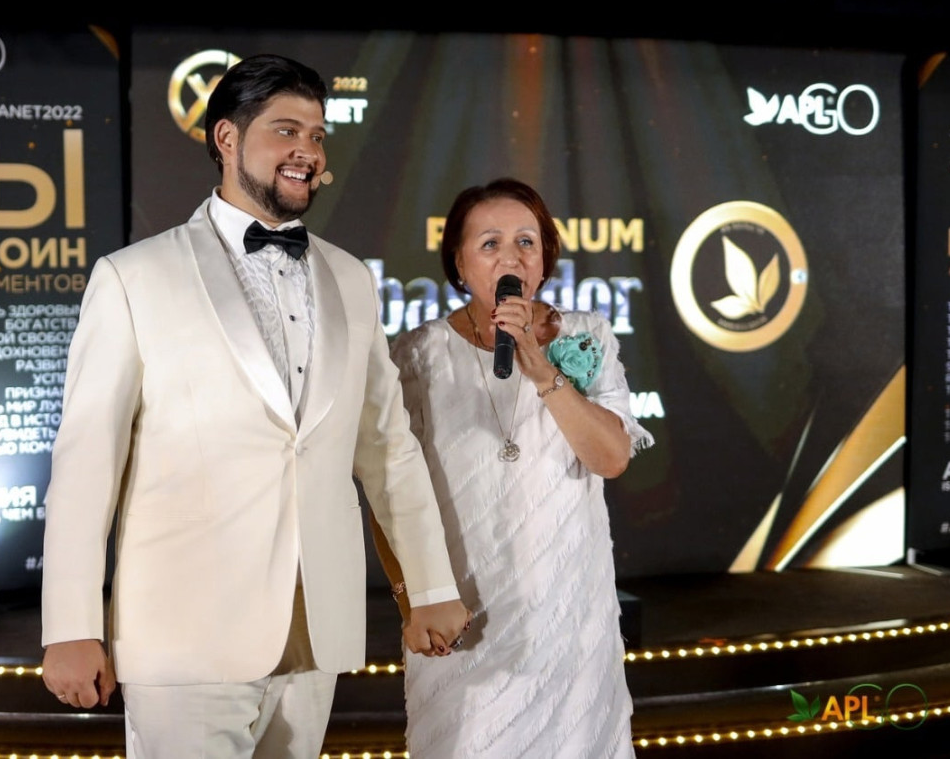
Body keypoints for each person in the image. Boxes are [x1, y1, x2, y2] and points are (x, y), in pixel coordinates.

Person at [38, 53, 471, 759]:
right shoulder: (133, 277)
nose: (308, 151)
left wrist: (429, 585)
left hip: (315, 634)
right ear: (227, 138)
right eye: (286, 130)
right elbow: (86, 466)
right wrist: (70, 626)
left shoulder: (349, 278)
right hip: (182, 637)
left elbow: (388, 447)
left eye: (318, 135)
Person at [370, 177, 653, 758]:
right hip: (462, 618)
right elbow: (387, 494)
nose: (511, 257)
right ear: (459, 260)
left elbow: (611, 457)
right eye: (490, 243)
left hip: (570, 619)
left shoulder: (587, 336)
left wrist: (542, 368)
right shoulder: (417, 355)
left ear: (545, 257)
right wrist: (412, 600)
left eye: (526, 241)